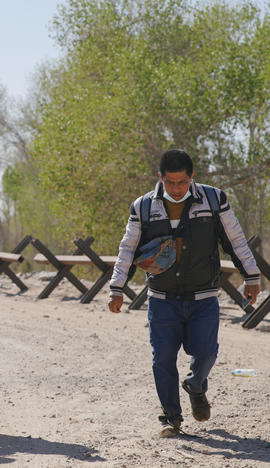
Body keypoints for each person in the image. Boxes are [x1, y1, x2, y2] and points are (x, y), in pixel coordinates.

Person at [108, 149, 260, 438]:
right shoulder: (142, 207)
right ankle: (170, 417)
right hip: (162, 300)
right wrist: (117, 288)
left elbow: (236, 240)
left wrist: (252, 277)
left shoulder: (215, 200)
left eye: (182, 182)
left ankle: (197, 384)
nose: (176, 189)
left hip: (203, 297)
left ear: (192, 177)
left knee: (206, 352)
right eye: (170, 182)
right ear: (160, 178)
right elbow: (127, 248)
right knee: (162, 358)